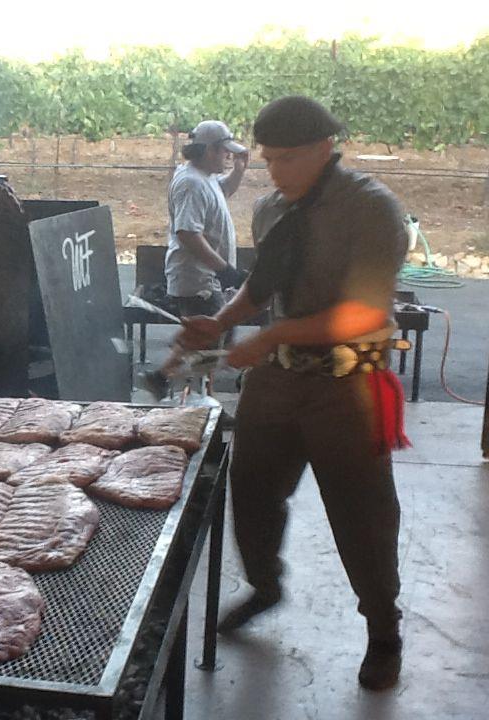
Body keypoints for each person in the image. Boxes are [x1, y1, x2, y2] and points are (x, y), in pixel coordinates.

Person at [169, 96, 410, 691]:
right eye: (269, 159)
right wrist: (220, 324)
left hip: (347, 385)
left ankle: (383, 629)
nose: (275, 171)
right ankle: (266, 586)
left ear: (326, 147)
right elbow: (261, 284)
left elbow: (361, 313)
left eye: (287, 159)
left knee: (361, 514)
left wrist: (271, 333)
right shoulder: (272, 207)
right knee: (250, 495)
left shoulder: (372, 210)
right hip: (277, 380)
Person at [162, 120, 250, 318]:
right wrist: (224, 270)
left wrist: (238, 171)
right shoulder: (191, 183)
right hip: (199, 287)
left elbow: (222, 191)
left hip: (208, 282)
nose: (229, 156)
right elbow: (188, 233)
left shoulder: (203, 176)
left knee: (217, 341)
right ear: (210, 151)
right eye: (225, 151)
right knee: (209, 345)